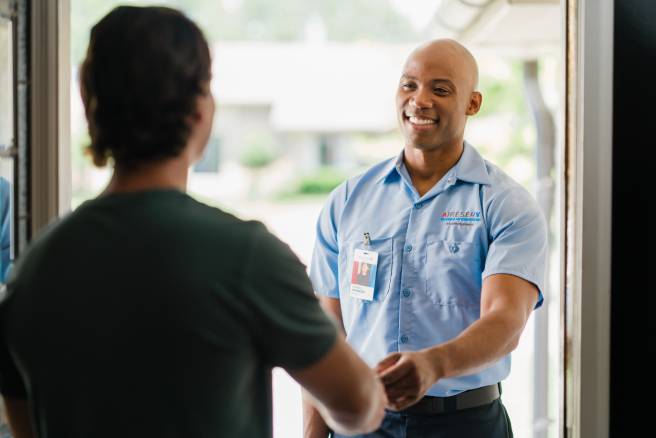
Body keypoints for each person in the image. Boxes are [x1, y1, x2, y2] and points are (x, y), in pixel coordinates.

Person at [0, 7, 386, 438]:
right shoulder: (247, 257)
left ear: (91, 113)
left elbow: (24, 423)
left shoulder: (34, 269)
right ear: (200, 111)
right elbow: (359, 409)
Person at [305, 39, 547, 437]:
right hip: (362, 423)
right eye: (409, 85)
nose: (419, 101)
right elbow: (325, 333)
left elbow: (506, 320)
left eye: (440, 89)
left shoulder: (506, 204)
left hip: (465, 424)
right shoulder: (347, 201)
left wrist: (435, 364)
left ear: (472, 103)